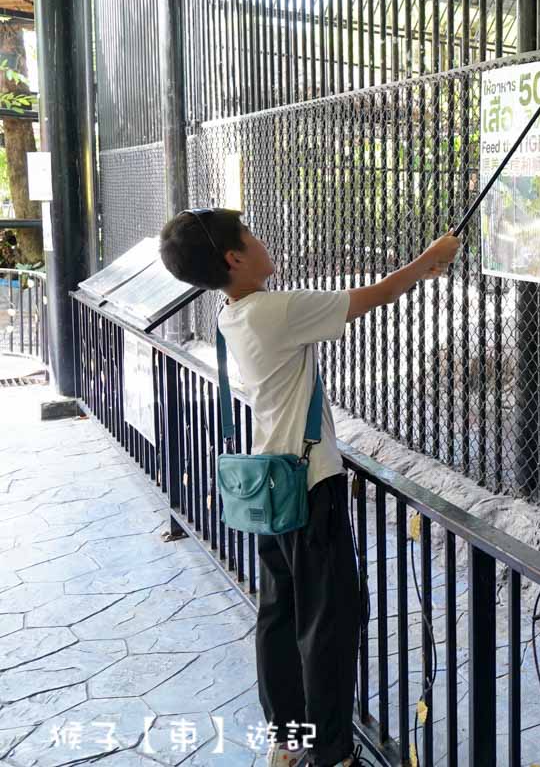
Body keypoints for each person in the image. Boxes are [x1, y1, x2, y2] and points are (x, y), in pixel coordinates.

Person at [159, 208, 459, 767]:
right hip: (309, 484)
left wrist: (425, 266)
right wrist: (430, 259)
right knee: (329, 620)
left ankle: (288, 739)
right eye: (250, 235)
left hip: (271, 486)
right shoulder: (277, 311)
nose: (260, 238)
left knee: (279, 613)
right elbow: (376, 294)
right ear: (233, 258)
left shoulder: (235, 315)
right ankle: (330, 753)